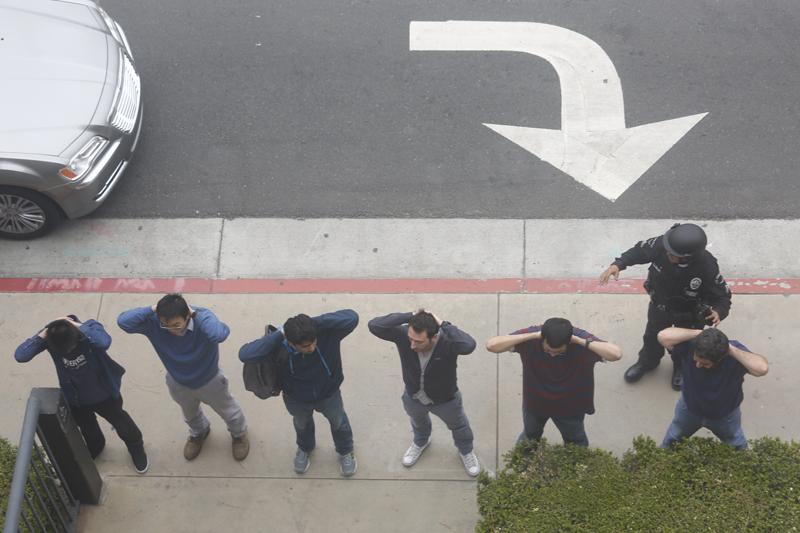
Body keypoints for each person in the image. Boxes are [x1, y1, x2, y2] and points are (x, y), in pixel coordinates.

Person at [599, 223, 732, 390]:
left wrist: (718, 311)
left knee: (684, 345)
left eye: (672, 254)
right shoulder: (666, 244)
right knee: (652, 338)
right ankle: (647, 363)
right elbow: (640, 251)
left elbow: (722, 296)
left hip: (688, 314)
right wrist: (618, 264)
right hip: (660, 307)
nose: (666, 253)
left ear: (687, 257)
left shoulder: (707, 266)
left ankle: (681, 368)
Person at [117, 294, 249, 462]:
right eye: (165, 325)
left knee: (229, 411)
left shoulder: (203, 319)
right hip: (177, 381)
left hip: (210, 380)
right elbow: (123, 322)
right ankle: (199, 433)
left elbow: (219, 335)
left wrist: (198, 314)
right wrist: (152, 308)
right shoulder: (155, 323)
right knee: (189, 413)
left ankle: (239, 435)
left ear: (188, 316)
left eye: (176, 325)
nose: (172, 329)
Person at [15, 315, 148, 474]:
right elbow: (21, 355)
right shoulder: (51, 337)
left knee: (122, 423)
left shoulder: (89, 330)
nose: (67, 352)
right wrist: (43, 333)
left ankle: (136, 448)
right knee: (87, 427)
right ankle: (96, 447)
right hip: (75, 398)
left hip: (104, 394)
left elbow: (104, 342)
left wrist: (77, 325)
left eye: (70, 348)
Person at [239, 310, 359, 477]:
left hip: (329, 394)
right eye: (305, 346)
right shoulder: (279, 346)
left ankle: (346, 450)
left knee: (339, 422)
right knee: (302, 424)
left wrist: (310, 324)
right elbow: (245, 354)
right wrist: (280, 333)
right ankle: (305, 447)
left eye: (313, 342)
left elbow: (352, 317)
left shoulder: (326, 334)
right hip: (295, 398)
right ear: (290, 342)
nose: (311, 348)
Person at [368, 310, 481, 477]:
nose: (412, 345)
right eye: (411, 339)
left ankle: (466, 451)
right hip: (413, 396)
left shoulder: (448, 342)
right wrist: (411, 315)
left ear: (434, 337)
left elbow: (468, 345)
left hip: (445, 400)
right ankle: (421, 441)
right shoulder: (404, 336)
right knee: (418, 421)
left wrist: (444, 324)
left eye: (419, 342)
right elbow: (375, 325)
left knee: (459, 426)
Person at [486, 317, 622, 447]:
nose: (552, 354)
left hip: (571, 407)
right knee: (530, 436)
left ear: (569, 342)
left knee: (575, 440)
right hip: (535, 403)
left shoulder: (581, 340)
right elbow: (492, 345)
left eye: (558, 352)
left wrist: (581, 342)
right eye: (547, 350)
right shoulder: (533, 338)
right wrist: (531, 336)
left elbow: (615, 354)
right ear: (542, 338)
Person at [658, 327, 768, 450]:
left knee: (737, 447)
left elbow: (762, 368)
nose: (698, 365)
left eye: (705, 364)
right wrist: (703, 335)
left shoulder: (733, 356)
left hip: (725, 415)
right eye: (696, 361)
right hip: (689, 409)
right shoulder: (694, 345)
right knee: (672, 440)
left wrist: (730, 349)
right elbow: (663, 336)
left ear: (721, 358)